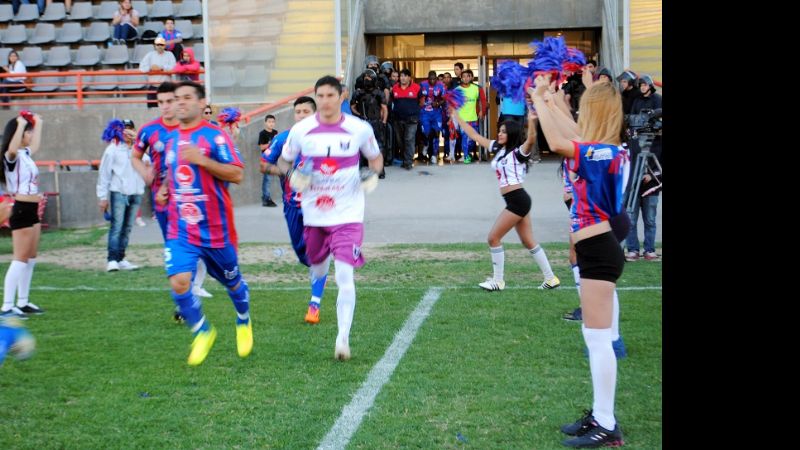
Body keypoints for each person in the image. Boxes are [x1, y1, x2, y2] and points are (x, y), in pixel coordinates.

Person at [530, 75, 628, 448]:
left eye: (586, 107)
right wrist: (550, 103)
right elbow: (571, 132)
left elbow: (558, 142)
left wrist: (539, 101)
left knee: (599, 340)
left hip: (600, 251)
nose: (581, 114)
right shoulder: (598, 147)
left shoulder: (606, 151)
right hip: (594, 250)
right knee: (593, 336)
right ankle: (600, 414)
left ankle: (606, 423)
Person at [277, 76, 383, 360]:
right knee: (318, 266)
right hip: (314, 214)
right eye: (320, 96)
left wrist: (371, 175)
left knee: (345, 275)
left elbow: (376, 159)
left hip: (348, 213)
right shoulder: (301, 130)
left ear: (341, 96)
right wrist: (292, 175)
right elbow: (283, 161)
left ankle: (342, 339)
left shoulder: (359, 128)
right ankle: (318, 281)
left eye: (329, 95)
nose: (324, 101)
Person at [161, 81, 252, 366]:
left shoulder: (215, 138)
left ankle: (243, 320)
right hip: (182, 228)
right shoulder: (171, 140)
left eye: (187, 98)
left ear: (202, 103)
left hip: (216, 230)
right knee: (178, 281)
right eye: (177, 99)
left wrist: (202, 160)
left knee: (233, 283)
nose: (181, 103)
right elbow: (175, 171)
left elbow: (237, 174)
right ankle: (202, 331)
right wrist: (165, 187)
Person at [452, 107, 560, 291]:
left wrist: (532, 121)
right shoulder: (498, 149)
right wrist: (457, 116)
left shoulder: (518, 153)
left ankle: (498, 280)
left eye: (503, 132)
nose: (500, 134)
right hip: (516, 201)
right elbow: (474, 135)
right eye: (499, 131)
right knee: (528, 241)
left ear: (511, 134)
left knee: (493, 238)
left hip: (518, 200)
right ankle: (551, 279)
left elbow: (531, 139)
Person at [130, 82, 212, 323]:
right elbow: (135, 156)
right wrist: (144, 173)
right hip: (164, 204)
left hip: (193, 201)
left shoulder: (194, 129)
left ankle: (192, 292)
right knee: (177, 253)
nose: (166, 106)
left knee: (198, 251)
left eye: (170, 101)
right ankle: (186, 301)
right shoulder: (149, 131)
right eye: (161, 102)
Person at [262, 96, 330, 324]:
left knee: (318, 254)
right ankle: (317, 268)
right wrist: (288, 173)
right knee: (304, 254)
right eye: (297, 112)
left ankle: (314, 304)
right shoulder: (284, 139)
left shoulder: (326, 139)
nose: (300, 115)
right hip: (292, 205)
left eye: (305, 112)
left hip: (319, 206)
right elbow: (264, 164)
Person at [1, 112, 45, 319]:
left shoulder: (26, 154)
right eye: (27, 132)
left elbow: (35, 145)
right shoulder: (11, 156)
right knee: (20, 258)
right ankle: (7, 306)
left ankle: (23, 301)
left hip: (32, 209)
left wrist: (39, 123)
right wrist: (20, 124)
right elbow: (11, 147)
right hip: (20, 209)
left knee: (31, 258)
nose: (29, 135)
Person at [97, 119, 144, 272]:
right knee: (117, 227)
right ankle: (112, 259)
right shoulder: (113, 149)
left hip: (136, 192)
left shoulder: (139, 148)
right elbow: (104, 173)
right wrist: (102, 197)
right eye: (125, 129)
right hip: (119, 192)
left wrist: (137, 140)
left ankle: (121, 257)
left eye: (131, 129)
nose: (128, 132)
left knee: (127, 228)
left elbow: (149, 161)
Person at [624, 74, 662, 262]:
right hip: (634, 179)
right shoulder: (633, 140)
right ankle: (632, 249)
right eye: (640, 85)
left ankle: (649, 249)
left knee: (650, 217)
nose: (642, 87)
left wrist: (651, 173)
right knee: (630, 215)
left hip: (652, 180)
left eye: (644, 84)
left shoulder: (658, 141)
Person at [139, 37, 176, 109]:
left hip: (166, 87)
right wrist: (151, 68)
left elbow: (174, 68)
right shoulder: (150, 55)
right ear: (155, 46)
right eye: (157, 44)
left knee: (168, 108)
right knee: (151, 109)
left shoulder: (170, 54)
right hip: (153, 86)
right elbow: (142, 68)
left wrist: (161, 68)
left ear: (164, 46)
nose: (159, 46)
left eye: (161, 45)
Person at [258, 114, 278, 207]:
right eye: (269, 122)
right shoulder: (262, 133)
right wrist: (271, 143)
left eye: (273, 122)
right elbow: (261, 147)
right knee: (267, 179)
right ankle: (266, 199)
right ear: (265, 123)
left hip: (276, 156)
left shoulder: (276, 132)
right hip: (266, 157)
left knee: (282, 176)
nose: (271, 124)